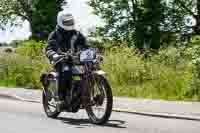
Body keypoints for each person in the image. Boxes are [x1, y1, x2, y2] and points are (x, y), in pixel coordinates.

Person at [46, 11, 89, 109]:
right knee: (66, 70)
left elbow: (86, 46)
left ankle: (85, 95)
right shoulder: (55, 34)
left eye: (70, 21)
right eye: (66, 21)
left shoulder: (77, 34)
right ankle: (62, 98)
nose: (69, 23)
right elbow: (49, 48)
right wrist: (54, 55)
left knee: (90, 69)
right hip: (61, 60)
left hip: (75, 60)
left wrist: (89, 52)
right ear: (60, 21)